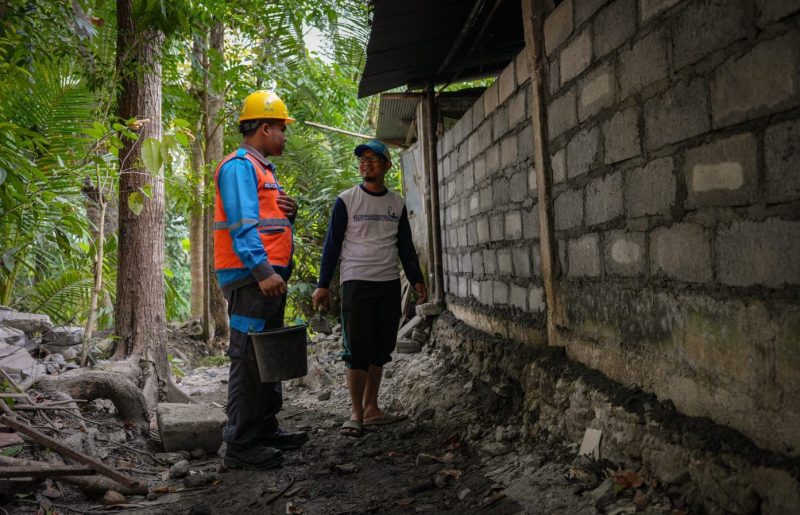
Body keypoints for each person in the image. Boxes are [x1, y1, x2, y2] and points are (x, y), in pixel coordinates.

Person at [214, 90, 308, 469]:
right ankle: (240, 444)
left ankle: (265, 429)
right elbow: (242, 227)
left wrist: (291, 213)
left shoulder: (263, 169)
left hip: (267, 279)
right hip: (252, 279)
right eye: (282, 129)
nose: (285, 136)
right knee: (249, 359)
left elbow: (269, 224)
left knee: (267, 356)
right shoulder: (239, 167)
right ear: (265, 127)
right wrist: (264, 272)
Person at [312, 139, 427, 437]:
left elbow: (405, 246)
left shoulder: (396, 203)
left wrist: (416, 279)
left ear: (387, 165)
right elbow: (332, 246)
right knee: (356, 349)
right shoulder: (346, 200)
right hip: (356, 282)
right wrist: (322, 285)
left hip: (388, 283)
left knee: (380, 348)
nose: (366, 162)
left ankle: (373, 408)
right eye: (362, 158)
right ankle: (356, 413)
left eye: (374, 158)